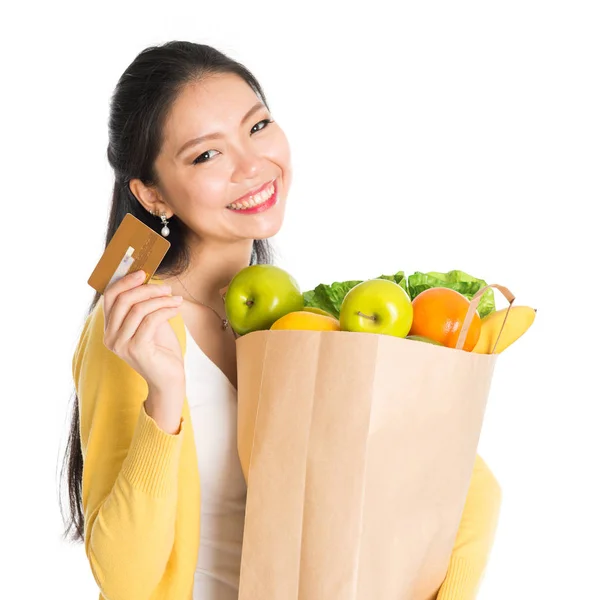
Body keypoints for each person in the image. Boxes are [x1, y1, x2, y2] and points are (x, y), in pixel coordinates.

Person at [60, 40, 502, 600]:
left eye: (258, 126)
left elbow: (465, 488)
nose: (251, 165)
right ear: (153, 195)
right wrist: (163, 399)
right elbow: (123, 579)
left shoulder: (302, 325)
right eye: (206, 155)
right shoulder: (136, 328)